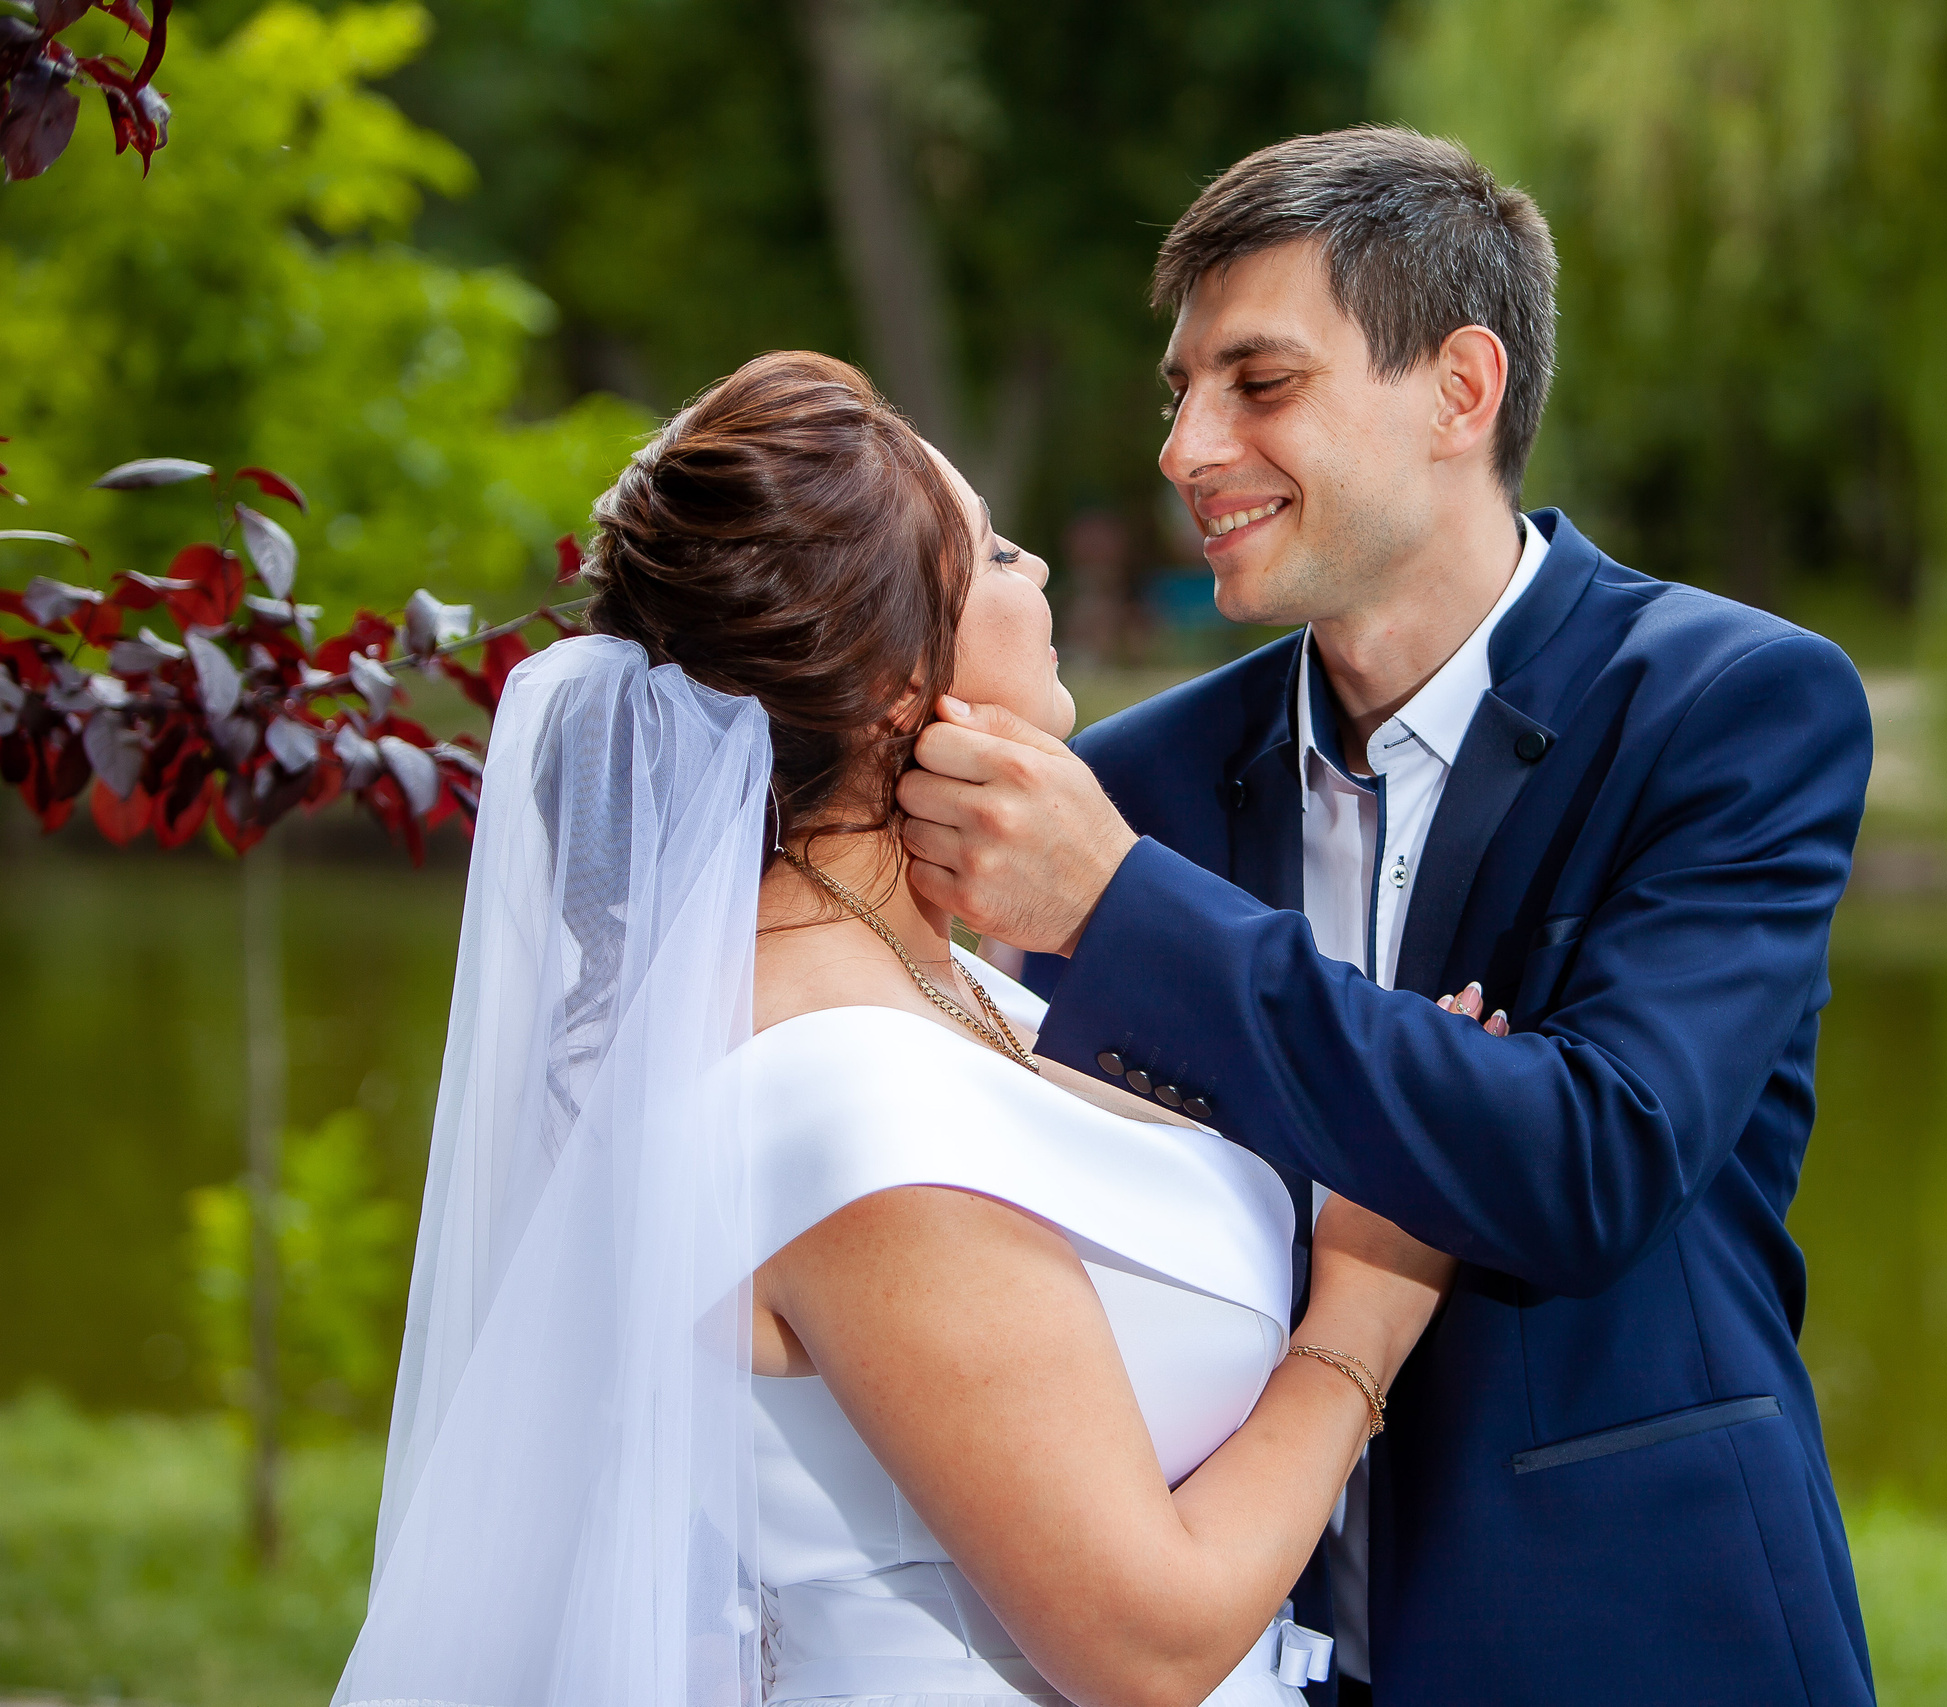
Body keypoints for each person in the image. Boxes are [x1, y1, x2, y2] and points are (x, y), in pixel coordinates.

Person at [898, 129, 1878, 1705]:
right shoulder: (1136, 782)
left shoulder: (1735, 708)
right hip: (1238, 1648)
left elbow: (1586, 1161)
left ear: (1460, 392)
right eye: (1180, 391)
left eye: (1259, 382)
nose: (1186, 447)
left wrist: (1125, 916)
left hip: (1635, 1642)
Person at [333, 352, 1454, 1707]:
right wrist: (1371, 1306)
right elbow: (1145, 1644)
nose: (1035, 572)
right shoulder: (844, 1107)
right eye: (990, 551)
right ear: (882, 691)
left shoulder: (932, 988)